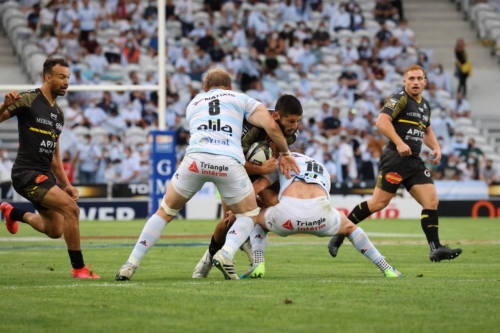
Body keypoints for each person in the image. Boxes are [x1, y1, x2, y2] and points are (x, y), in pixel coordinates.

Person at [115, 69, 299, 280]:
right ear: (230, 87)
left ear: (205, 89)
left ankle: (130, 264)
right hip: (229, 162)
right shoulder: (241, 98)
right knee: (248, 215)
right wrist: (285, 153)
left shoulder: (193, 102)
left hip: (195, 160)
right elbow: (270, 125)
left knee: (165, 211)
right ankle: (226, 254)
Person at [327, 65, 462, 262]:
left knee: (431, 201)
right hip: (396, 159)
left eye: (419, 78)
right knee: (378, 203)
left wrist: (436, 147)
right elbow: (381, 121)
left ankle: (436, 249)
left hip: (414, 161)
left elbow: (427, 130)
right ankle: (339, 234)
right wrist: (399, 143)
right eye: (411, 78)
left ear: (425, 82)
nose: (415, 82)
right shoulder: (400, 98)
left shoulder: (424, 105)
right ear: (404, 81)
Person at [213, 152, 402, 280]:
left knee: (254, 217)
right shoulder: (321, 167)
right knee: (351, 228)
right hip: (321, 216)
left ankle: (258, 263)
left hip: (286, 216)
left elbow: (255, 189)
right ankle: (386, 267)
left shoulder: (283, 162)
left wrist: (238, 208)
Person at [0, 58, 100, 278]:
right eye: (61, 77)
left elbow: (55, 155)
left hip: (45, 175)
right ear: (48, 77)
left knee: (55, 230)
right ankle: (79, 268)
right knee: (72, 210)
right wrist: (5, 105)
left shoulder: (58, 114)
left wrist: (66, 184)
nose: (66, 82)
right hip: (25, 174)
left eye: (68, 77)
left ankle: (11, 212)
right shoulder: (27, 99)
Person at [192, 95, 303, 278]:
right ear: (276, 116)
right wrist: (261, 167)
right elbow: (230, 160)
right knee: (228, 221)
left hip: (258, 174)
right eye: (291, 121)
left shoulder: (291, 135)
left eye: (297, 121)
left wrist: (280, 156)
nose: (295, 126)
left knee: (272, 203)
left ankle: (246, 242)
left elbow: (283, 155)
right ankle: (208, 258)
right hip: (230, 169)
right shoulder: (250, 129)